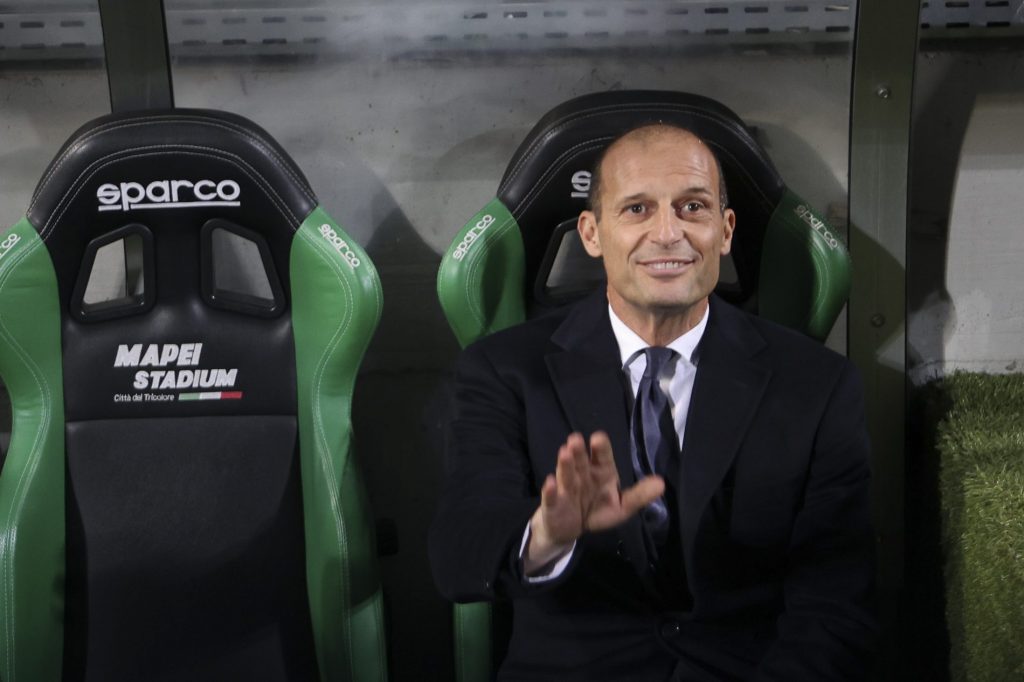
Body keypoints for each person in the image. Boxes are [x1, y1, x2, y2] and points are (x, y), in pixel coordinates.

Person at [429, 123, 876, 681]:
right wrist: (545, 535)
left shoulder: (817, 384)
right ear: (592, 234)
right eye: (637, 209)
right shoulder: (502, 372)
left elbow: (836, 605)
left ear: (725, 230)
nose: (668, 233)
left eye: (693, 207)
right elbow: (459, 559)